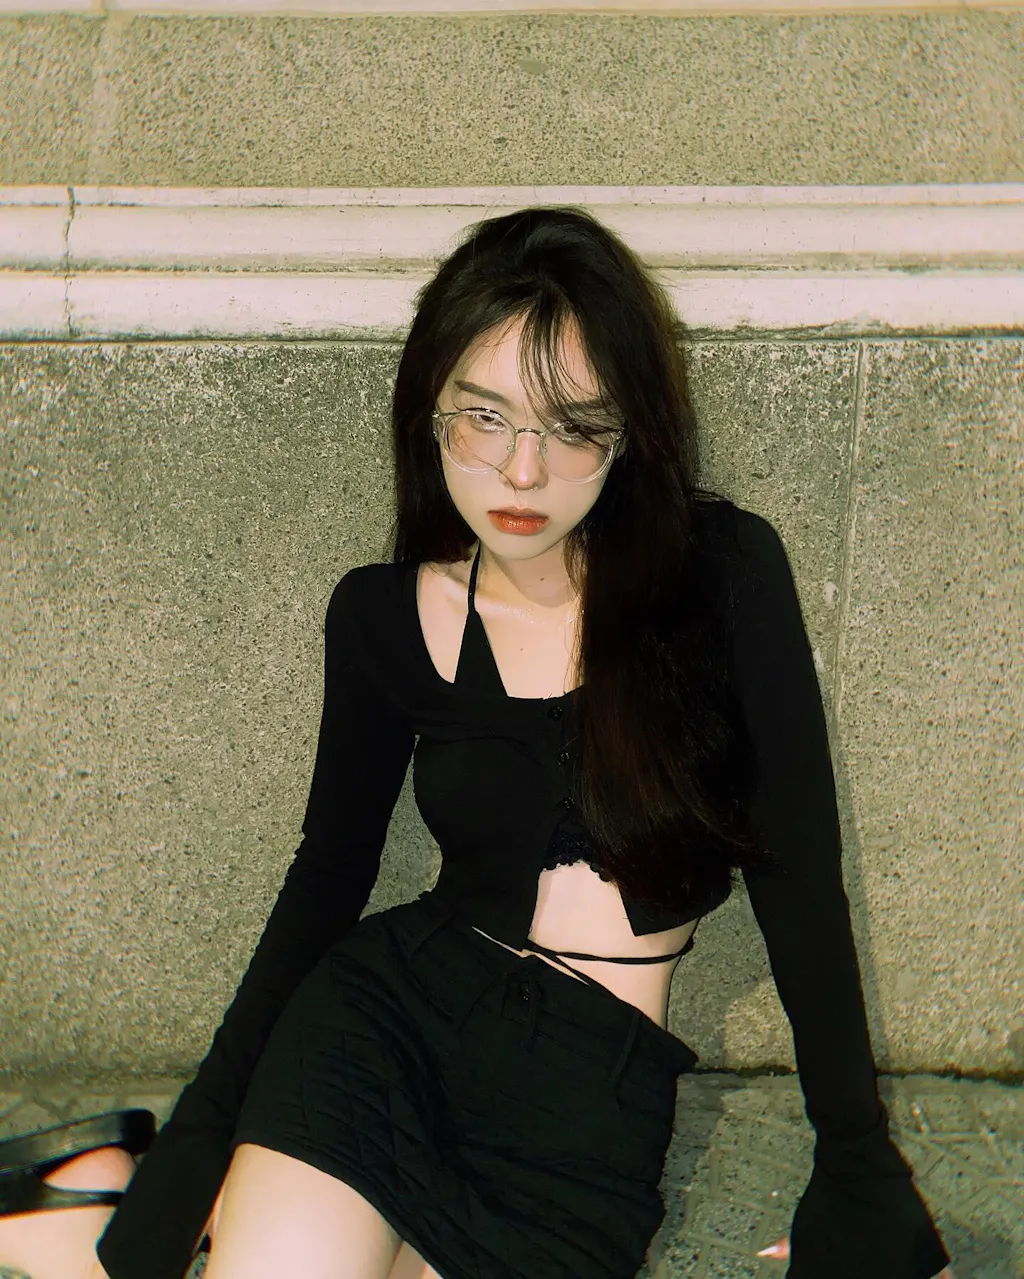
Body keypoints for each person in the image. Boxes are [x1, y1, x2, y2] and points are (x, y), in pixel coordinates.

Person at [0, 205, 955, 1279]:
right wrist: (191, 1151)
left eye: (572, 426)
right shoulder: (383, 617)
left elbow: (800, 873)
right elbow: (326, 878)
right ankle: (139, 1201)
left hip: (583, 1122)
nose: (521, 473)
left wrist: (857, 1161)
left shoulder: (723, 575)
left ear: (630, 431)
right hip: (387, 1033)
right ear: (429, 410)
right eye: (484, 418)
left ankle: (74, 1218)